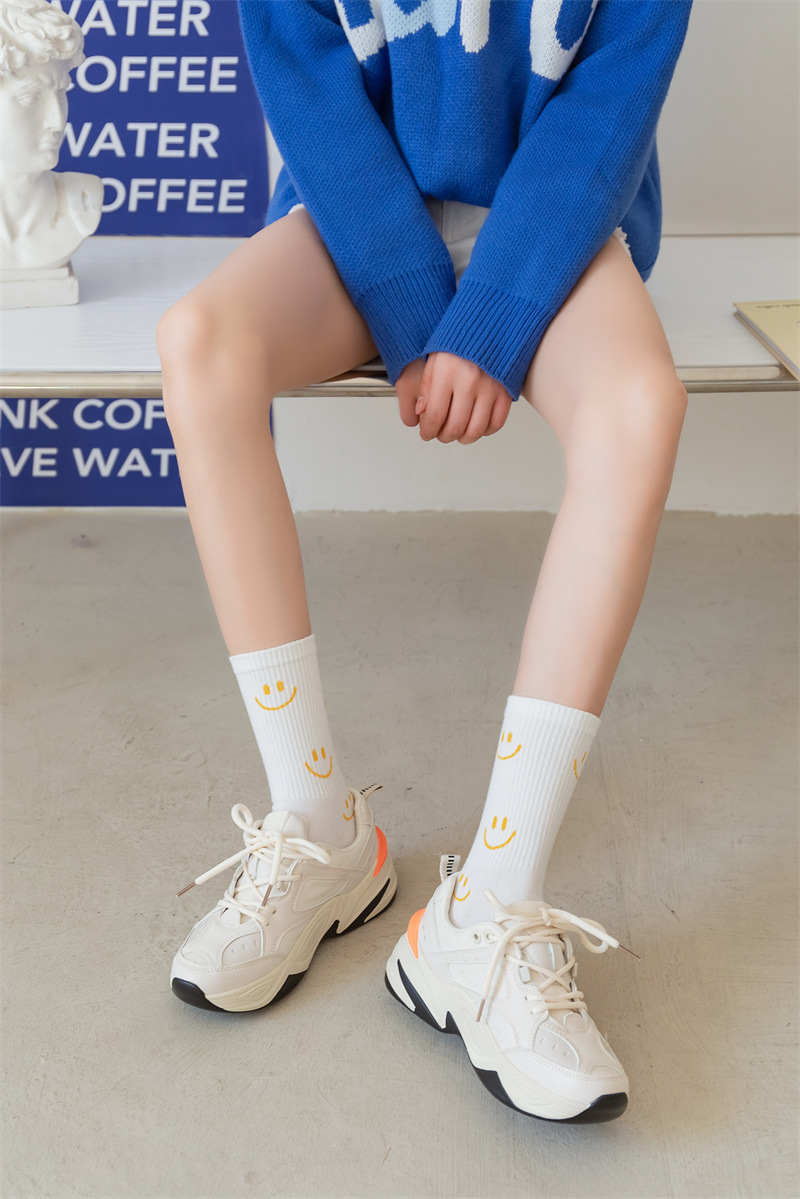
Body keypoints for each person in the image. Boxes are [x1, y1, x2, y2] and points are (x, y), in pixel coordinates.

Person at [158, 0, 694, 1124]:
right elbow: (304, 78)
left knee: (640, 407)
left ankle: (488, 905)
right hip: (356, 218)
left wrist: (491, 319)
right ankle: (318, 825)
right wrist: (411, 306)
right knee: (198, 341)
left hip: (552, 222)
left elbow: (610, 103)